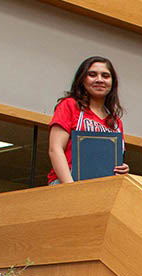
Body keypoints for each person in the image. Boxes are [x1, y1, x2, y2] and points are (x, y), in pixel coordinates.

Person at [48, 56, 129, 184]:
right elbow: (55, 149)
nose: (99, 80)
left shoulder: (116, 122)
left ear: (112, 82)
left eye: (105, 76)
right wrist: (71, 187)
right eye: (92, 75)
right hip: (67, 182)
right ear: (82, 80)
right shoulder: (69, 105)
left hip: (102, 188)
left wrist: (122, 169)